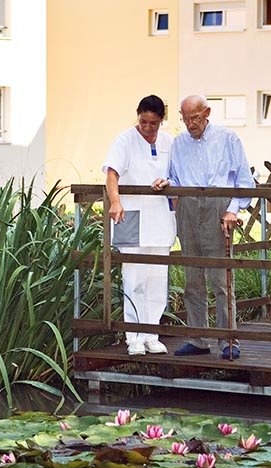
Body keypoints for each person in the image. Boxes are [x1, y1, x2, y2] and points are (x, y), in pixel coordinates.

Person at [151, 94, 254, 359]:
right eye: (185, 119)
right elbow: (175, 175)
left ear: (206, 113)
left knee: (220, 279)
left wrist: (232, 209)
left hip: (217, 206)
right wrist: (167, 183)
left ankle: (228, 340)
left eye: (194, 118)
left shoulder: (227, 139)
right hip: (188, 206)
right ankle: (198, 339)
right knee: (192, 279)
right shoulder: (179, 143)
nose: (190, 124)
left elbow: (244, 180)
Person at [103, 95, 176, 356]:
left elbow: (176, 174)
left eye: (153, 124)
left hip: (160, 218)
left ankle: (151, 333)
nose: (147, 128)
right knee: (134, 279)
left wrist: (167, 182)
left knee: (157, 279)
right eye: (143, 122)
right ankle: (133, 337)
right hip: (130, 217)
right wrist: (115, 201)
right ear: (138, 116)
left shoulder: (169, 142)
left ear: (161, 120)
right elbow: (112, 173)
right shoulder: (124, 139)